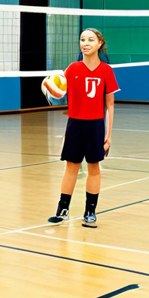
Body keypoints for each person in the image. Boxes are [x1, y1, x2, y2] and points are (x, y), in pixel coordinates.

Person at [48, 28, 119, 228]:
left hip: (96, 125)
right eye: (82, 39)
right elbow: (59, 92)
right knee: (71, 168)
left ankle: (90, 212)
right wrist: (50, 88)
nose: (85, 43)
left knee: (94, 169)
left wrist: (109, 135)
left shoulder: (106, 71)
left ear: (99, 44)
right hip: (75, 124)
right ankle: (62, 210)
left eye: (90, 40)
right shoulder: (72, 69)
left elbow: (110, 105)